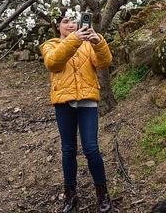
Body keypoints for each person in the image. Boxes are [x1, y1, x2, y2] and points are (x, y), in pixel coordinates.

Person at [40, 13, 113, 213]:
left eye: (73, 20)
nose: (71, 25)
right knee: (68, 150)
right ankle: (70, 196)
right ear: (57, 26)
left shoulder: (87, 44)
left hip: (87, 100)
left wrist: (98, 42)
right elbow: (53, 63)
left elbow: (104, 63)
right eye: (65, 21)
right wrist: (75, 39)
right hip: (64, 102)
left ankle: (103, 194)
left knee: (91, 148)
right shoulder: (50, 45)